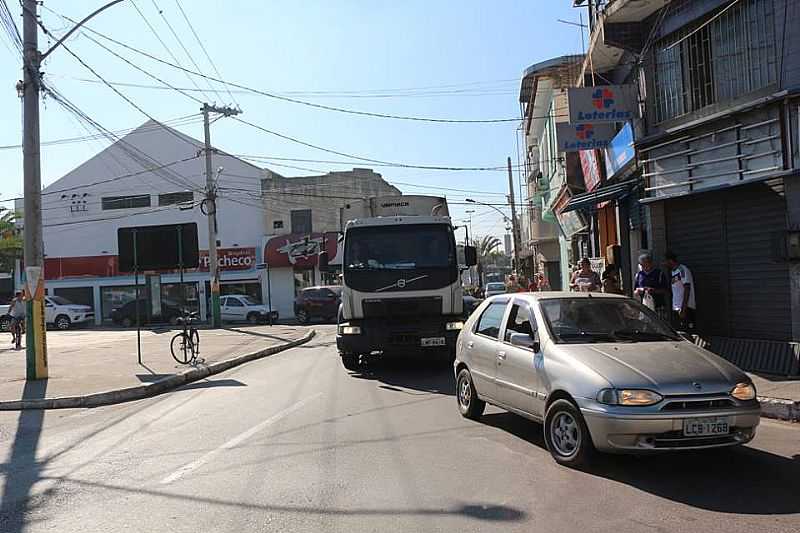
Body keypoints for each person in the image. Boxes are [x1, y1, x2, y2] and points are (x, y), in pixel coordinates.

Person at [665, 250, 696, 332]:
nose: (664, 264)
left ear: (670, 261)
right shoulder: (672, 272)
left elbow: (687, 288)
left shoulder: (682, 269)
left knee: (687, 333)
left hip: (685, 308)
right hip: (676, 308)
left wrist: (683, 308)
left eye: (665, 261)